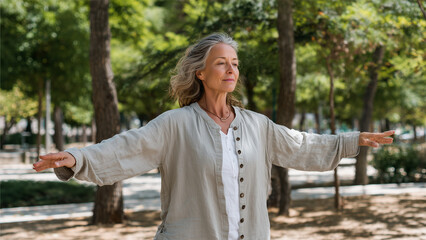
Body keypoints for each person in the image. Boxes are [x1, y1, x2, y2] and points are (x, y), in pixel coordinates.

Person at [33, 33, 394, 240]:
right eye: (222, 62)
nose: (231, 69)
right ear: (201, 73)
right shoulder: (175, 124)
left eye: (235, 63)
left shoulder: (257, 125)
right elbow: (129, 146)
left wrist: (353, 140)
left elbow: (300, 145)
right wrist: (78, 158)